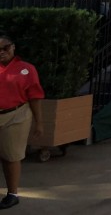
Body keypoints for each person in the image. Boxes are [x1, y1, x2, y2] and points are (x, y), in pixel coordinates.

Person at [0, 33, 44, 210]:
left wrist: (39, 122)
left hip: (16, 115)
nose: (2, 52)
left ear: (13, 47)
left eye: (5, 48)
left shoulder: (26, 69)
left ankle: (12, 194)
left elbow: (34, 96)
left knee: (11, 155)